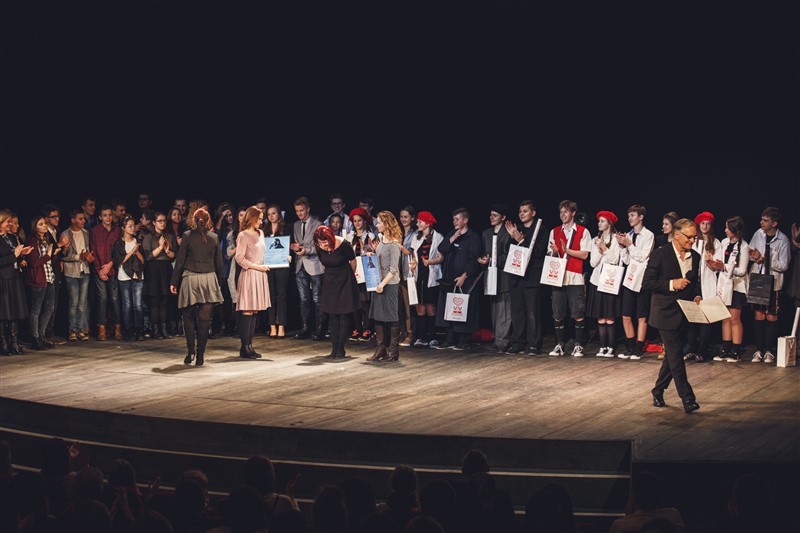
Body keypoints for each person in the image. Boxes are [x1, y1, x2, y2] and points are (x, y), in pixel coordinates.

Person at [644, 218, 702, 414]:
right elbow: (647, 283)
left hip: (685, 312)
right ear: (677, 235)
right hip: (665, 312)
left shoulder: (695, 256)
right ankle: (688, 398)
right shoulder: (660, 254)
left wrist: (697, 295)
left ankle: (658, 390)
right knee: (676, 356)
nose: (692, 241)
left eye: (694, 238)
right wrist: (672, 284)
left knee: (672, 355)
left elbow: (695, 282)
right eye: (689, 237)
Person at [170, 207, 224, 366]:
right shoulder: (214, 237)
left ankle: (190, 352)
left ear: (193, 220)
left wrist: (174, 282)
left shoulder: (187, 236)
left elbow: (180, 261)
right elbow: (219, 264)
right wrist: (218, 284)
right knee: (204, 321)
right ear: (208, 221)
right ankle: (200, 355)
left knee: (187, 317)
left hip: (191, 279)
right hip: (208, 279)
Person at [503, 200, 549, 356]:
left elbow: (539, 251)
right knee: (517, 312)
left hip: (532, 277)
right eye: (520, 211)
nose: (521, 214)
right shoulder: (518, 229)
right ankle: (518, 343)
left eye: (525, 211)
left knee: (532, 313)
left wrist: (521, 240)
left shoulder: (541, 229)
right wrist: (512, 237)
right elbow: (509, 250)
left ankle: (534, 344)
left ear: (533, 213)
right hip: (516, 276)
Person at [547, 200, 592, 357]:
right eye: (561, 212)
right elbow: (550, 255)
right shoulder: (554, 231)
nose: (562, 215)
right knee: (558, 313)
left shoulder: (583, 231)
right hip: (558, 276)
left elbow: (585, 254)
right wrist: (555, 251)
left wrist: (567, 250)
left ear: (573, 213)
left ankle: (578, 345)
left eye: (566, 211)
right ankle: (560, 344)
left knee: (578, 312)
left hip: (575, 276)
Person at [435, 207, 482, 351]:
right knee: (449, 309)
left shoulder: (473, 237)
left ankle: (463, 341)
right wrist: (453, 238)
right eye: (453, 219)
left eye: (457, 219)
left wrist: (464, 276)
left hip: (464, 279)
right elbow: (441, 248)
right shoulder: (452, 234)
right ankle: (449, 339)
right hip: (449, 279)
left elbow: (474, 261)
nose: (454, 222)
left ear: (465, 220)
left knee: (462, 310)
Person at [748, 206, 791, 364]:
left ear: (774, 223)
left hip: (773, 282)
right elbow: (750, 253)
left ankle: (768, 350)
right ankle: (759, 350)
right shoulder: (758, 234)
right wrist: (755, 257)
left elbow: (784, 265)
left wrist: (767, 260)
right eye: (761, 219)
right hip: (758, 280)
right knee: (758, 314)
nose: (762, 223)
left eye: (765, 221)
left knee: (771, 315)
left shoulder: (783, 240)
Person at [682, 211, 723, 363]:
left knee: (706, 319)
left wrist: (710, 261)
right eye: (703, 223)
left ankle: (701, 351)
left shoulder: (716, 243)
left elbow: (717, 267)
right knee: (692, 318)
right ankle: (691, 349)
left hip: (708, 282)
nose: (705, 226)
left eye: (708, 224)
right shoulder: (693, 241)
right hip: (693, 283)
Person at [314, 225, 360, 359]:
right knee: (332, 315)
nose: (322, 246)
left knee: (343, 315)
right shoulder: (319, 247)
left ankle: (341, 349)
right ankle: (334, 349)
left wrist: (349, 278)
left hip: (345, 279)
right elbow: (324, 263)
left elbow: (353, 261)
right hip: (330, 281)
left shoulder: (343, 244)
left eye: (325, 242)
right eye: (320, 243)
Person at [617, 204, 655, 360]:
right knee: (626, 315)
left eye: (632, 215)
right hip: (630, 278)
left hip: (642, 279)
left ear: (641, 217)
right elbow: (627, 260)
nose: (629, 218)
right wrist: (622, 247)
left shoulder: (649, 235)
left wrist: (629, 245)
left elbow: (643, 256)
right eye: (628, 216)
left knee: (641, 316)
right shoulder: (629, 235)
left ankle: (639, 349)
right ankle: (630, 347)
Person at [234, 206, 271, 359]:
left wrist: (282, 259)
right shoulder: (243, 235)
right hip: (250, 274)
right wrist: (257, 267)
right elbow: (239, 258)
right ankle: (244, 347)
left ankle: (250, 345)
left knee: (254, 310)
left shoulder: (260, 233)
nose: (261, 222)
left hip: (260, 274)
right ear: (252, 218)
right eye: (259, 219)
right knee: (248, 310)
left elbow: (265, 253)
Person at [366, 211, 404, 362]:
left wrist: (382, 284)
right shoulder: (381, 239)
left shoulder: (394, 244)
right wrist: (372, 255)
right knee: (378, 316)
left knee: (391, 316)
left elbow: (393, 269)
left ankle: (393, 351)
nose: (377, 225)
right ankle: (381, 349)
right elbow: (380, 261)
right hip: (378, 282)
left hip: (389, 284)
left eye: (379, 222)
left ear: (387, 224)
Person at [712, 215, 750, 362]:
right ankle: (726, 348)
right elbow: (720, 261)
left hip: (736, 287)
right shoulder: (724, 242)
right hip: (724, 285)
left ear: (736, 230)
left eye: (728, 228)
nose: (725, 230)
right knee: (725, 318)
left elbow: (742, 271)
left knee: (734, 318)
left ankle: (736, 350)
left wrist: (725, 266)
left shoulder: (744, 246)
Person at [586, 210, 623, 357]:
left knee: (609, 315)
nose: (599, 223)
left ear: (609, 223)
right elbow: (592, 262)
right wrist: (599, 249)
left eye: (602, 221)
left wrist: (604, 248)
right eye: (599, 221)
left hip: (609, 280)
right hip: (596, 280)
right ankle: (602, 346)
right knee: (600, 316)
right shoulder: (595, 240)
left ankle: (611, 347)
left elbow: (614, 260)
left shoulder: (616, 239)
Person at [478, 204, 512, 353]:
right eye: (491, 215)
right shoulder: (486, 233)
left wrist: (494, 259)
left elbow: (511, 254)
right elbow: (484, 252)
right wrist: (484, 260)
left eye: (495, 215)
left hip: (504, 275)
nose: (491, 217)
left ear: (503, 217)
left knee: (504, 310)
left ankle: (502, 341)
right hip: (491, 275)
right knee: (494, 308)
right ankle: (497, 338)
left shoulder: (508, 232)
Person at [289, 197, 324, 340]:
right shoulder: (296, 224)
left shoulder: (318, 224)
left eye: (301, 210)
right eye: (297, 211)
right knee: (303, 299)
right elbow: (298, 242)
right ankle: (305, 328)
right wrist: (294, 247)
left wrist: (306, 250)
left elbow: (321, 245)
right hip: (300, 265)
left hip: (315, 265)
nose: (299, 213)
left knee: (317, 298)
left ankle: (320, 329)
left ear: (308, 209)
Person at [408, 211, 443, 348]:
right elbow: (413, 255)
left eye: (420, 222)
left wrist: (430, 262)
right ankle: (421, 337)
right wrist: (413, 263)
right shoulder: (416, 237)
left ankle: (433, 337)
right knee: (420, 307)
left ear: (428, 223)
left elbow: (441, 258)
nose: (417, 224)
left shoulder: (438, 237)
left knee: (430, 307)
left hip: (431, 274)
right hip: (419, 275)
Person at [141, 211, 177, 340]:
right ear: (154, 222)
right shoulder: (149, 237)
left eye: (164, 221)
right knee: (155, 301)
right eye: (160, 221)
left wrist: (167, 250)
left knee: (165, 300)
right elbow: (148, 256)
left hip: (166, 268)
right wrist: (160, 247)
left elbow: (174, 256)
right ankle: (155, 330)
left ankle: (164, 328)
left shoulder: (169, 236)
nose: (162, 223)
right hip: (154, 269)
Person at [90, 205, 123, 341]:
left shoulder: (117, 230)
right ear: (100, 217)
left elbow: (120, 251)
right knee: (102, 299)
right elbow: (93, 251)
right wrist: (100, 270)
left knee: (115, 299)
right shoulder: (95, 231)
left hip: (113, 269)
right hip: (100, 270)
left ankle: (117, 328)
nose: (108, 218)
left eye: (110, 215)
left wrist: (110, 264)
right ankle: (101, 328)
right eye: (105, 215)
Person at [24, 215, 57, 350]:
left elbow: (48, 260)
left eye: (45, 223)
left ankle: (42, 335)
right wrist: (48, 255)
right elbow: (34, 262)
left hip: (49, 277)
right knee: (36, 310)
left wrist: (53, 254)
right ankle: (35, 338)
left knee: (49, 308)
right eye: (41, 224)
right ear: (35, 227)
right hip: (38, 278)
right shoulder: (32, 240)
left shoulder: (46, 239)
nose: (44, 226)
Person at [60, 208, 93, 342]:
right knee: (73, 302)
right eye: (80, 219)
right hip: (71, 272)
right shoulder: (65, 234)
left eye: (83, 218)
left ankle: (81, 329)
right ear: (73, 220)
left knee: (82, 302)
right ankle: (72, 330)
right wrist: (79, 256)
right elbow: (63, 256)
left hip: (84, 270)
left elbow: (88, 251)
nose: (83, 221)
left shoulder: (86, 233)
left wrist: (89, 256)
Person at [345, 207, 376, 342]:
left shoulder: (371, 236)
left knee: (367, 301)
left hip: (367, 271)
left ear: (365, 221)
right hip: (354, 271)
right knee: (355, 301)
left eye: (360, 220)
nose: (357, 223)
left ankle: (368, 328)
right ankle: (357, 328)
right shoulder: (349, 237)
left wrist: (366, 249)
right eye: (355, 221)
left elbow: (374, 254)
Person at [114, 215, 146, 340]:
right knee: (127, 304)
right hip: (124, 276)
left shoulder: (137, 242)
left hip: (137, 275)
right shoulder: (119, 243)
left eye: (133, 226)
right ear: (123, 228)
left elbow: (143, 261)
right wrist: (132, 251)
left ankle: (139, 329)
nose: (132, 228)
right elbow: (119, 261)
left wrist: (137, 251)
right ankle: (129, 329)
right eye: (129, 226)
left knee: (138, 304)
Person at [265, 205, 291, 338]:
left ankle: (281, 325)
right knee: (271, 296)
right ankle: (272, 326)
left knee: (281, 296)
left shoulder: (286, 228)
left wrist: (290, 254)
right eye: (269, 214)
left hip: (282, 266)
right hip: (269, 266)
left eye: (273, 213)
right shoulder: (264, 230)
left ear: (279, 214)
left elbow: (290, 245)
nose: (271, 216)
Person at [398, 205, 417, 347]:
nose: (403, 219)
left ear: (412, 218)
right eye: (401, 217)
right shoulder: (398, 233)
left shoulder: (415, 234)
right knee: (400, 307)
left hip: (408, 273)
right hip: (396, 273)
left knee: (409, 306)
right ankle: (402, 333)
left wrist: (401, 247)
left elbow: (413, 253)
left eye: (406, 217)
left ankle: (411, 335)